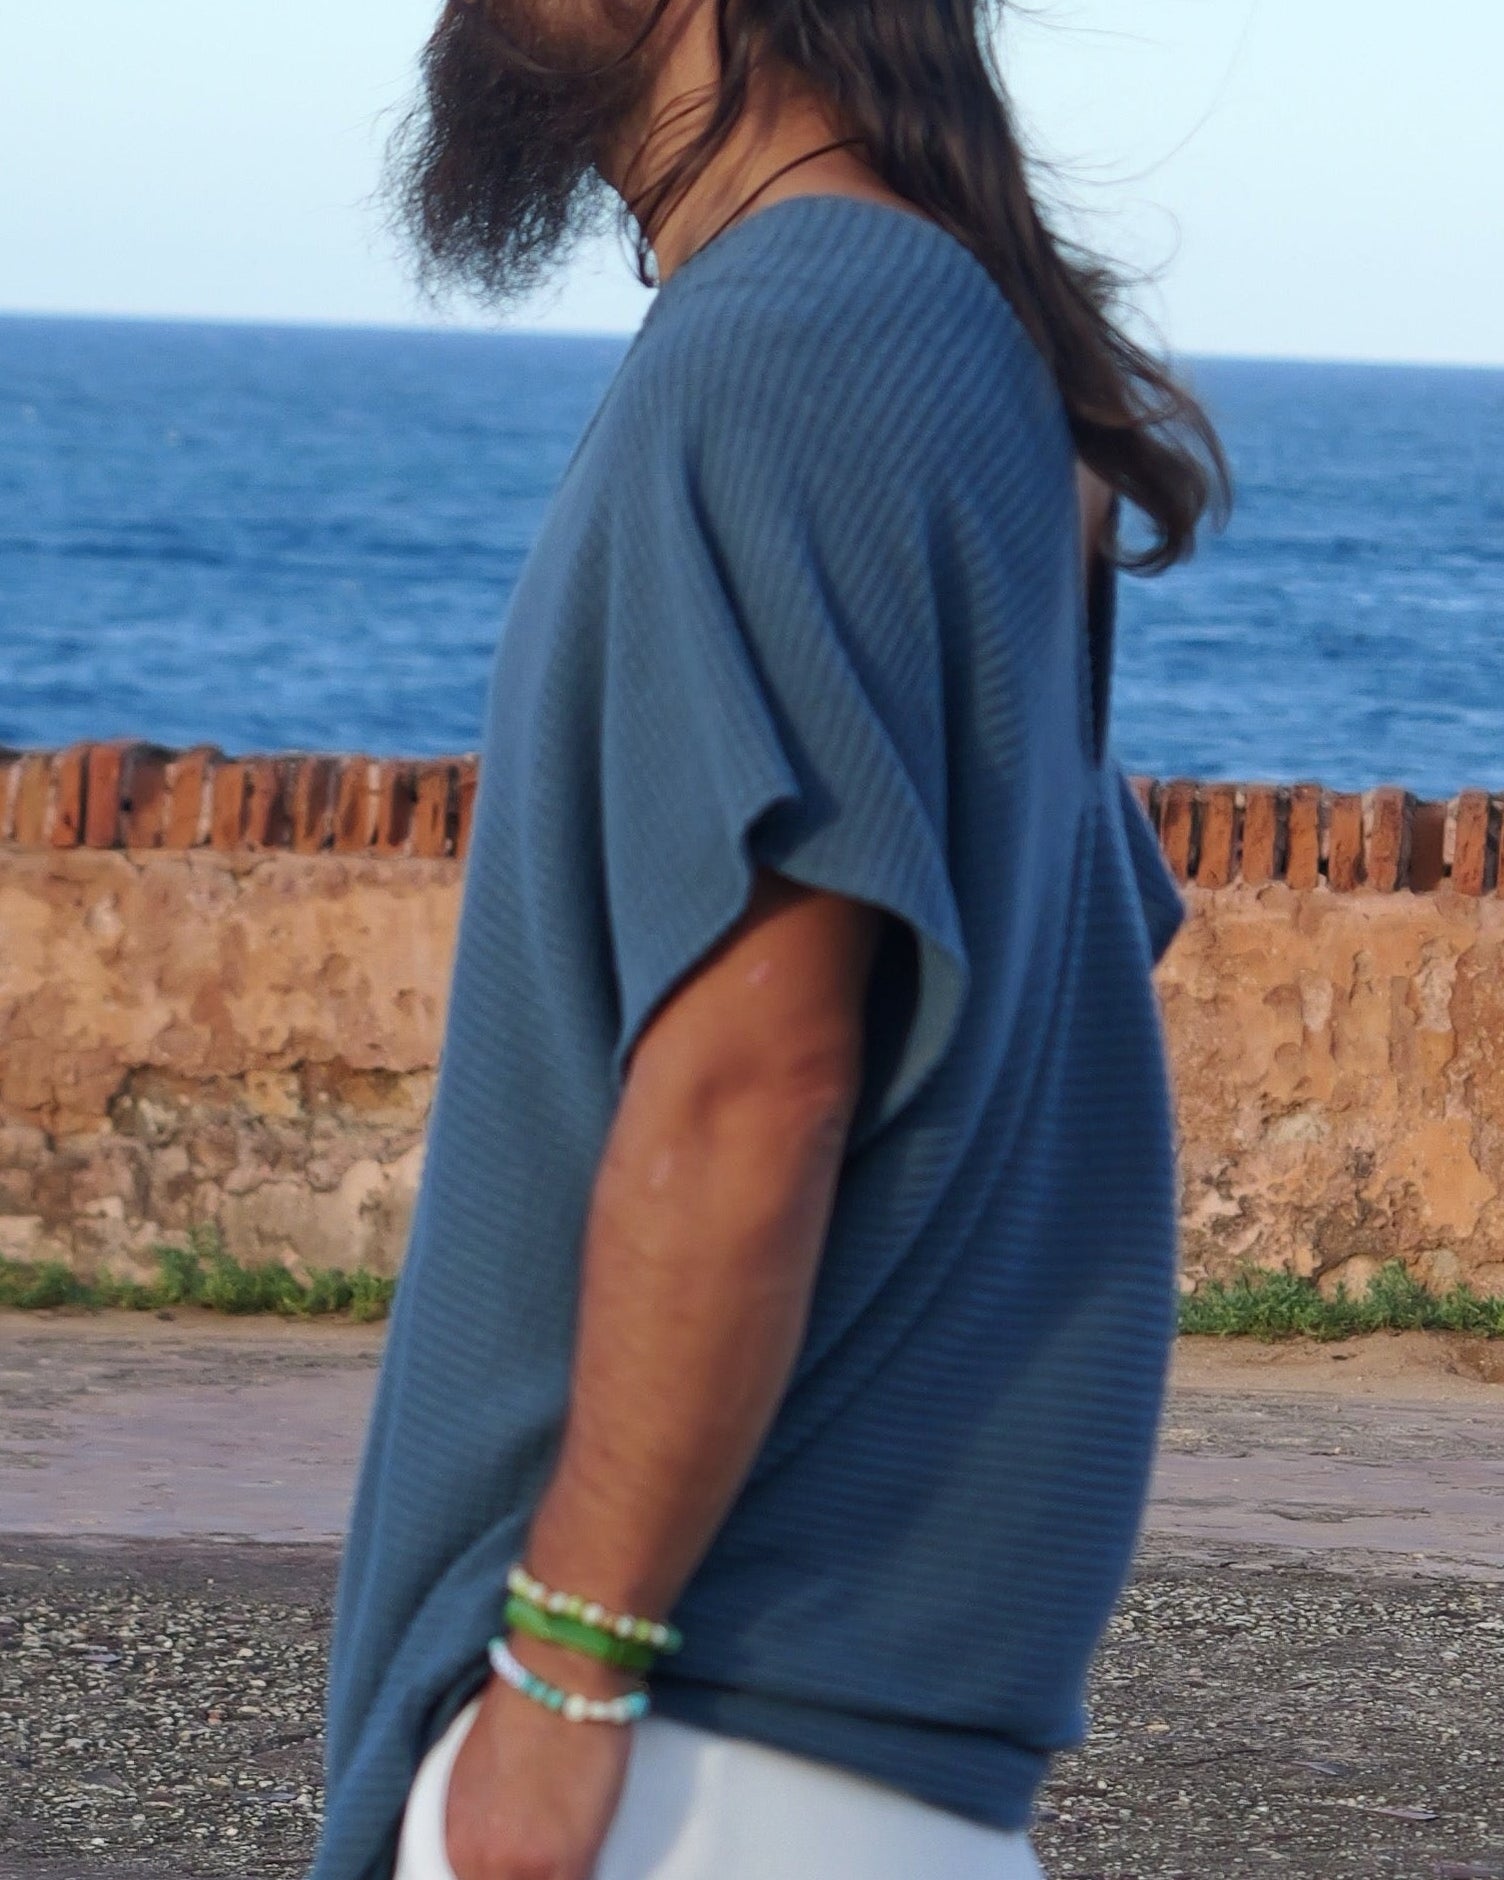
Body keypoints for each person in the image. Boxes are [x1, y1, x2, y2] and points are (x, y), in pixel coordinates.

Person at [310, 0, 1229, 1875]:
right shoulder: (929, 333)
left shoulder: (803, 339)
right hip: (804, 1773)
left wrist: (567, 1680)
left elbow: (759, 1078)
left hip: (698, 1764)